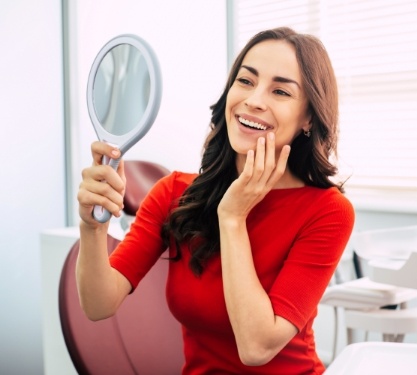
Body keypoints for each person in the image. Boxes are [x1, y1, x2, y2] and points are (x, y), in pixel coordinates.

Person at [77, 27, 354, 374]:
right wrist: (91, 228)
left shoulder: (327, 212)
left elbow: (256, 347)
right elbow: (97, 304)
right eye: (246, 81)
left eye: (280, 90)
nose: (254, 100)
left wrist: (233, 218)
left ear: (309, 118)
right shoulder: (173, 193)